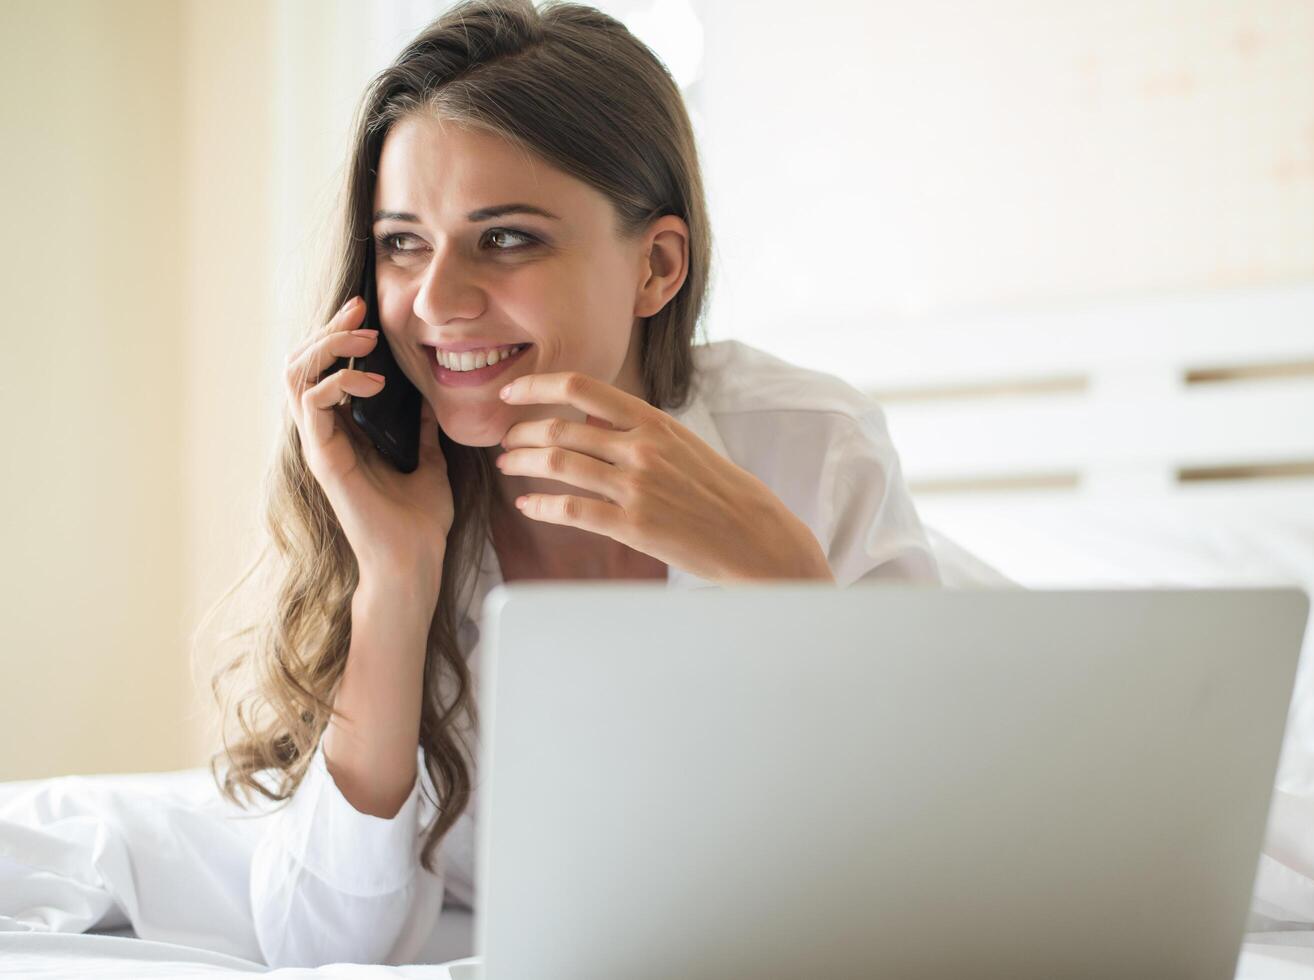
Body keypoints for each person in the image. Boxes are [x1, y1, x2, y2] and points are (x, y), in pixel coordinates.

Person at [212, 0, 943, 967]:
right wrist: (396, 578)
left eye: (506, 237)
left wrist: (782, 579)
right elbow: (319, 951)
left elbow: (930, 859)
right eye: (402, 242)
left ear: (657, 264)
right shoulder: (387, 486)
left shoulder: (812, 447)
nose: (436, 303)